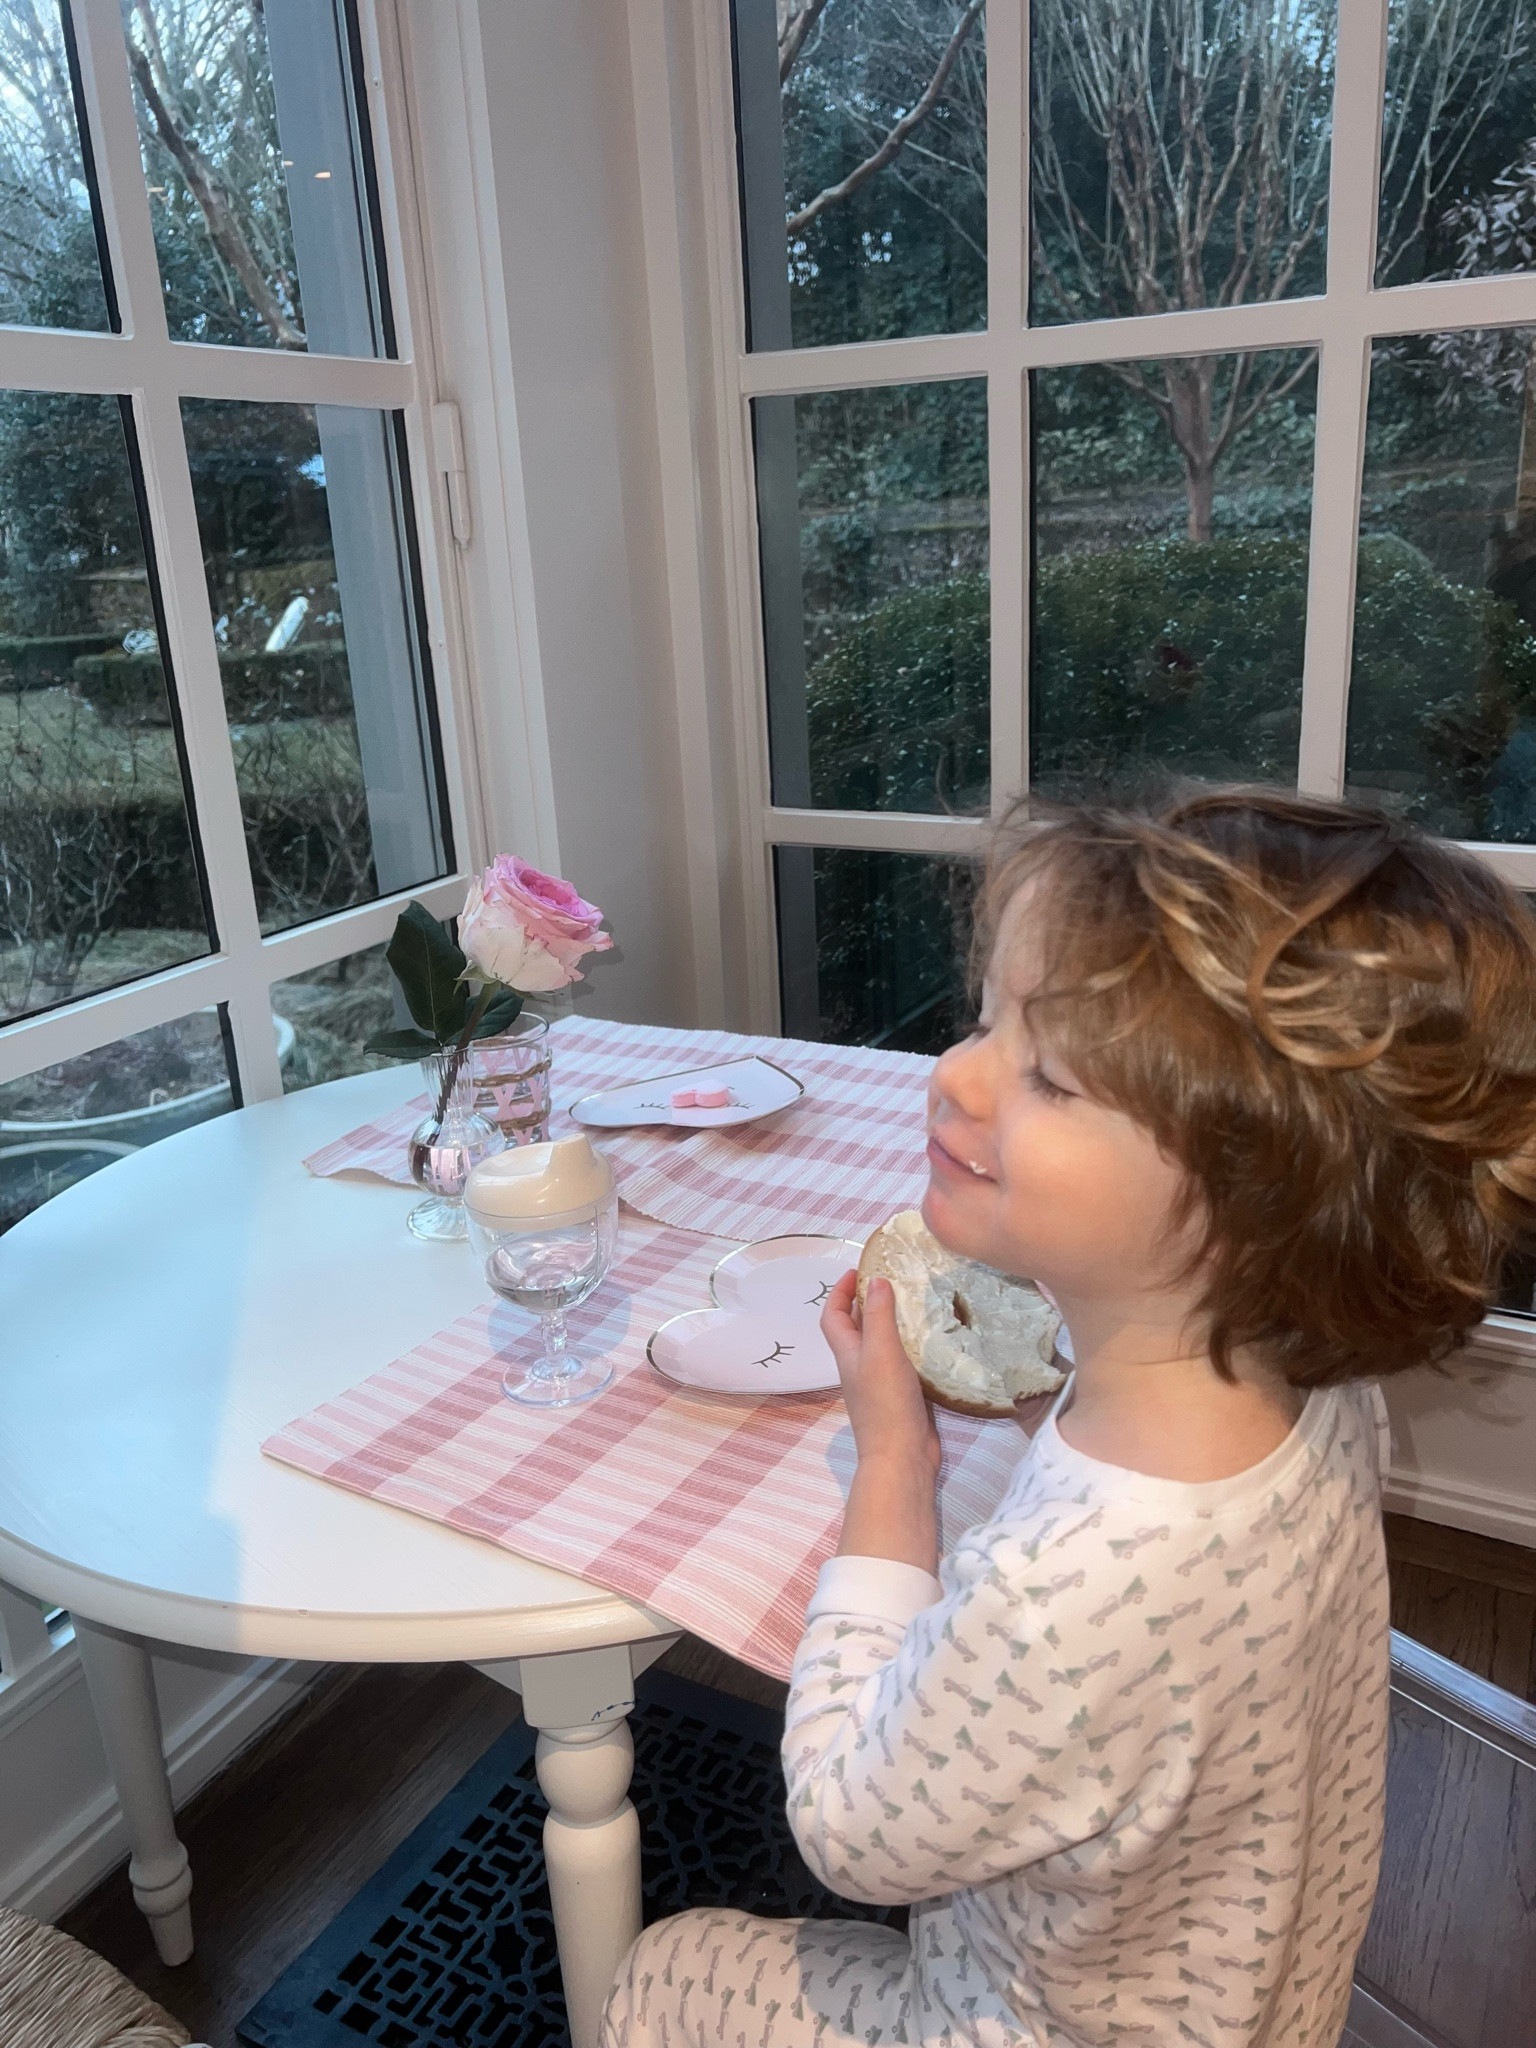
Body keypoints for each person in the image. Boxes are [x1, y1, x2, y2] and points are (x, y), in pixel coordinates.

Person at [600, 789, 1536, 2048]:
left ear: (1257, 1200)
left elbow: (843, 1825)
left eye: (1046, 1072)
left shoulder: (1067, 1591)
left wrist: (895, 1457)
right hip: (1258, 1991)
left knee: (665, 1969)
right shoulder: (1317, 1383)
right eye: (990, 1019)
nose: (954, 1071)